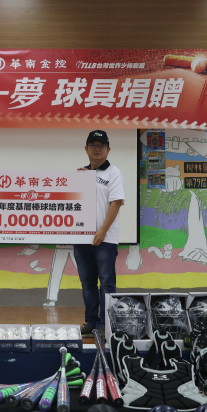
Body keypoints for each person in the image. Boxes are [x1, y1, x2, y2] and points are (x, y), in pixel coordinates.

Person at [75, 130, 125, 337]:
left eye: (101, 145)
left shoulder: (113, 173)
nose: (97, 149)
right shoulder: (80, 174)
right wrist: (75, 180)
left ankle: (106, 324)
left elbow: (116, 203)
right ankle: (91, 322)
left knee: (106, 284)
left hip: (106, 239)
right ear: (86, 149)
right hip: (81, 238)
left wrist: (102, 231)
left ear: (108, 149)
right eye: (93, 145)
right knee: (87, 284)